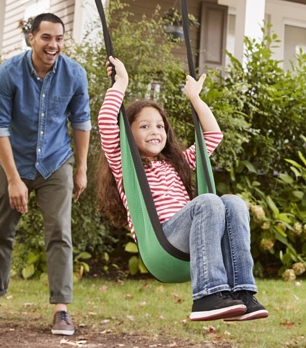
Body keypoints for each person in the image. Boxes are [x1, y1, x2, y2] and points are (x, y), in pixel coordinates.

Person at [97, 56, 268, 322]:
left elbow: (212, 136)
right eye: (144, 126)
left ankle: (243, 292)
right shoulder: (125, 165)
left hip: (197, 238)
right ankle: (206, 296)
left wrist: (195, 98)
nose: (155, 132)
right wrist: (121, 83)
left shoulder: (177, 163)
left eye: (159, 126)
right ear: (128, 134)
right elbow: (107, 122)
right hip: (162, 243)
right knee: (209, 201)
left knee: (233, 202)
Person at [0, 13, 91, 336]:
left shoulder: (74, 74)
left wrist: (81, 168)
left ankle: (61, 310)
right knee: (1, 230)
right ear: (32, 38)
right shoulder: (9, 73)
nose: (53, 45)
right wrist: (14, 178)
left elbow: (81, 121)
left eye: (59, 38)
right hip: (13, 159)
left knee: (59, 232)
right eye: (46, 37)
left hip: (56, 162)